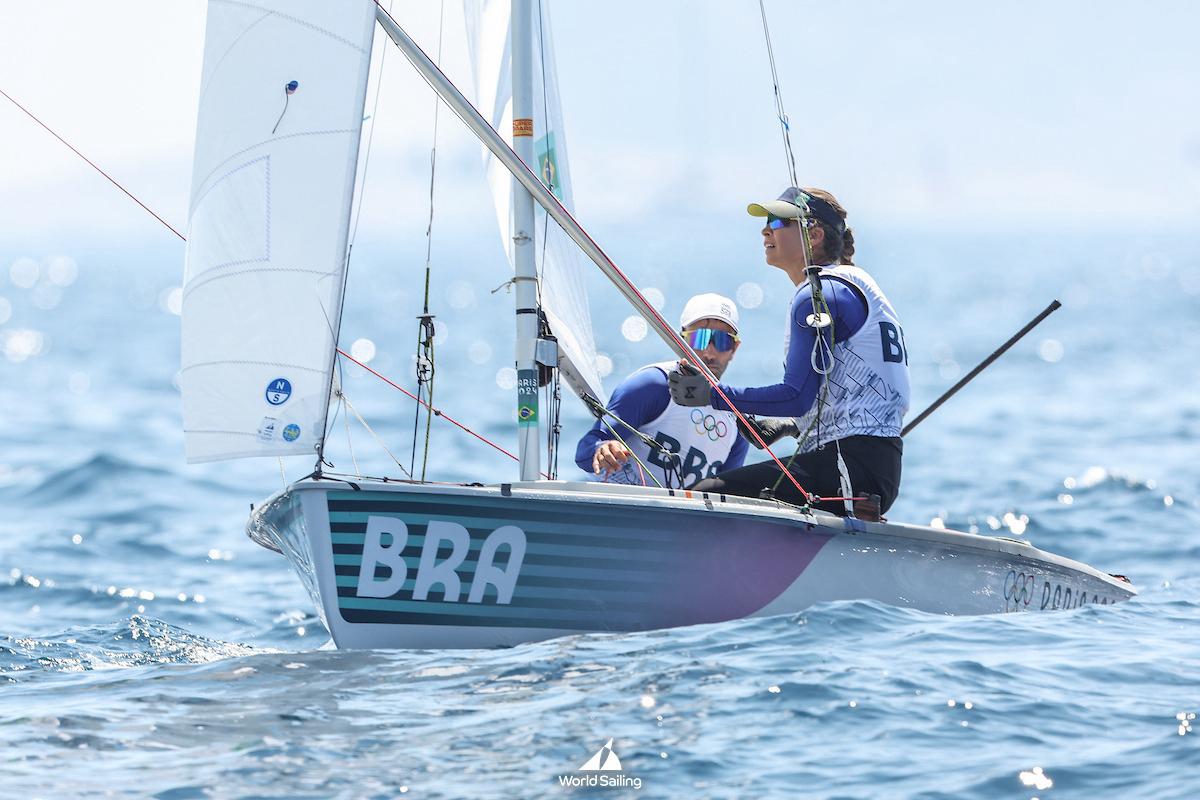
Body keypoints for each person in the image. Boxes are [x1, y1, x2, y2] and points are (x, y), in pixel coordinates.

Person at [667, 187, 909, 515]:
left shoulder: (819, 295)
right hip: (872, 465)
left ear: (815, 235)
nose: (766, 230)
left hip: (848, 465)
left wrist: (712, 395)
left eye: (779, 222)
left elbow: (796, 396)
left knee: (703, 496)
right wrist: (791, 424)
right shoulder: (852, 283)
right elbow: (845, 389)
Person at [575, 293, 749, 487]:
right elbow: (585, 451)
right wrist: (602, 449)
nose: (709, 353)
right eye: (699, 338)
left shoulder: (738, 421)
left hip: (679, 508)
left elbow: (728, 493)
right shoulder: (652, 386)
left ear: (734, 348)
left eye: (723, 341)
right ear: (682, 340)